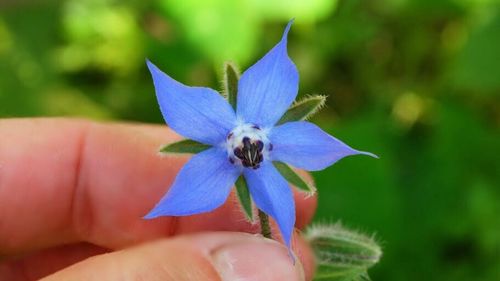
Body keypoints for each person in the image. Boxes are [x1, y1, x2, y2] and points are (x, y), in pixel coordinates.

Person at [0, 118, 317, 281]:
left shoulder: (267, 175)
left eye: (251, 148)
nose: (248, 150)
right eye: (244, 147)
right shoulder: (211, 159)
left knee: (290, 242)